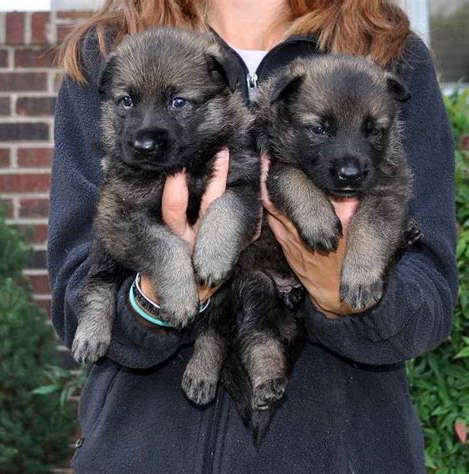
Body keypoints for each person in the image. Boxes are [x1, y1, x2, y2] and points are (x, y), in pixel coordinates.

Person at [48, 0, 457, 472]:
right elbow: (76, 298)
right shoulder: (104, 51)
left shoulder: (389, 50)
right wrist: (161, 291)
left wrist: (345, 296)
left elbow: (429, 304)